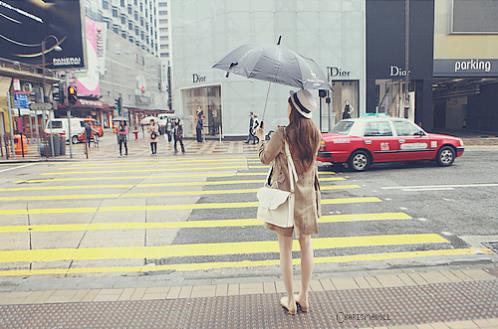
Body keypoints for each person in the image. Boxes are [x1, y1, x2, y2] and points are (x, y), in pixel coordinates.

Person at [255, 89, 321, 316]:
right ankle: (305, 296)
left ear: (293, 108)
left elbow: (265, 158)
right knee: (306, 246)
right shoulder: (315, 133)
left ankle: (291, 300)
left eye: (288, 104)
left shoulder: (282, 134)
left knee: (285, 249)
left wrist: (261, 136)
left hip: (286, 196)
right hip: (307, 196)